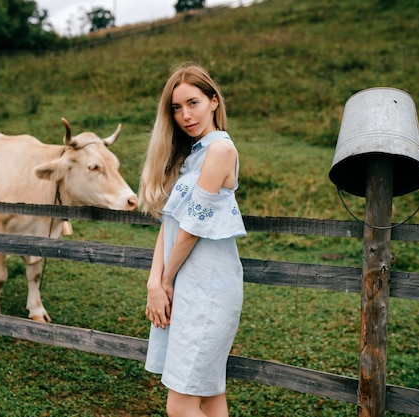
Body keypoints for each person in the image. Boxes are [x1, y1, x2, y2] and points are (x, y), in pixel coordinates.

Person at [138, 62, 246, 417]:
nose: (185, 115)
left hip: (209, 289)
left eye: (193, 103)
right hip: (184, 284)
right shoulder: (190, 158)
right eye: (176, 107)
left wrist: (165, 281)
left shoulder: (220, 151)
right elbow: (169, 225)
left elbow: (193, 226)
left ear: (214, 101)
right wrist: (155, 282)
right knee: (209, 396)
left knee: (180, 405)